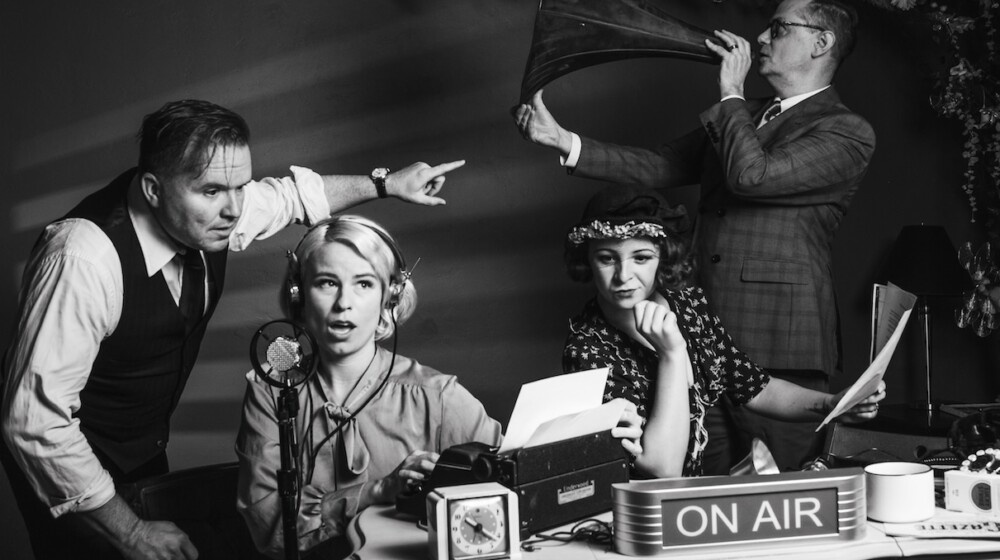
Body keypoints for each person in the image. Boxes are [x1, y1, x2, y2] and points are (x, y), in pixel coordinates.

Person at [0, 99, 465, 560]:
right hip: (63, 460)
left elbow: (292, 197)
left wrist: (386, 184)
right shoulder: (82, 258)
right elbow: (36, 423)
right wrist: (131, 532)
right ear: (153, 189)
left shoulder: (208, 209)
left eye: (239, 187)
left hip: (139, 449)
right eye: (212, 191)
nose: (232, 209)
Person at [514, 0, 876, 473]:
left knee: (780, 497)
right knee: (704, 486)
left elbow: (753, 176)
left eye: (778, 28)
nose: (761, 39)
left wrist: (729, 91)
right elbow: (662, 165)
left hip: (780, 340)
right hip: (703, 336)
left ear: (821, 42)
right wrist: (564, 139)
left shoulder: (846, 131)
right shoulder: (743, 116)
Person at [236, 215, 643, 559]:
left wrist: (601, 435)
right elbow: (268, 527)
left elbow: (521, 474)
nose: (344, 302)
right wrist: (378, 490)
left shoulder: (436, 396)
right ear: (299, 296)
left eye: (364, 284)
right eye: (327, 282)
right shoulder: (270, 393)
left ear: (388, 300)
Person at [561, 187, 884, 478]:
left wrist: (833, 403)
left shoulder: (688, 307)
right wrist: (672, 354)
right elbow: (662, 469)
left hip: (696, 507)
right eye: (606, 259)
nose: (623, 276)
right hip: (636, 515)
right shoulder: (588, 349)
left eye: (641, 258)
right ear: (587, 260)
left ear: (663, 257)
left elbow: (756, 387)